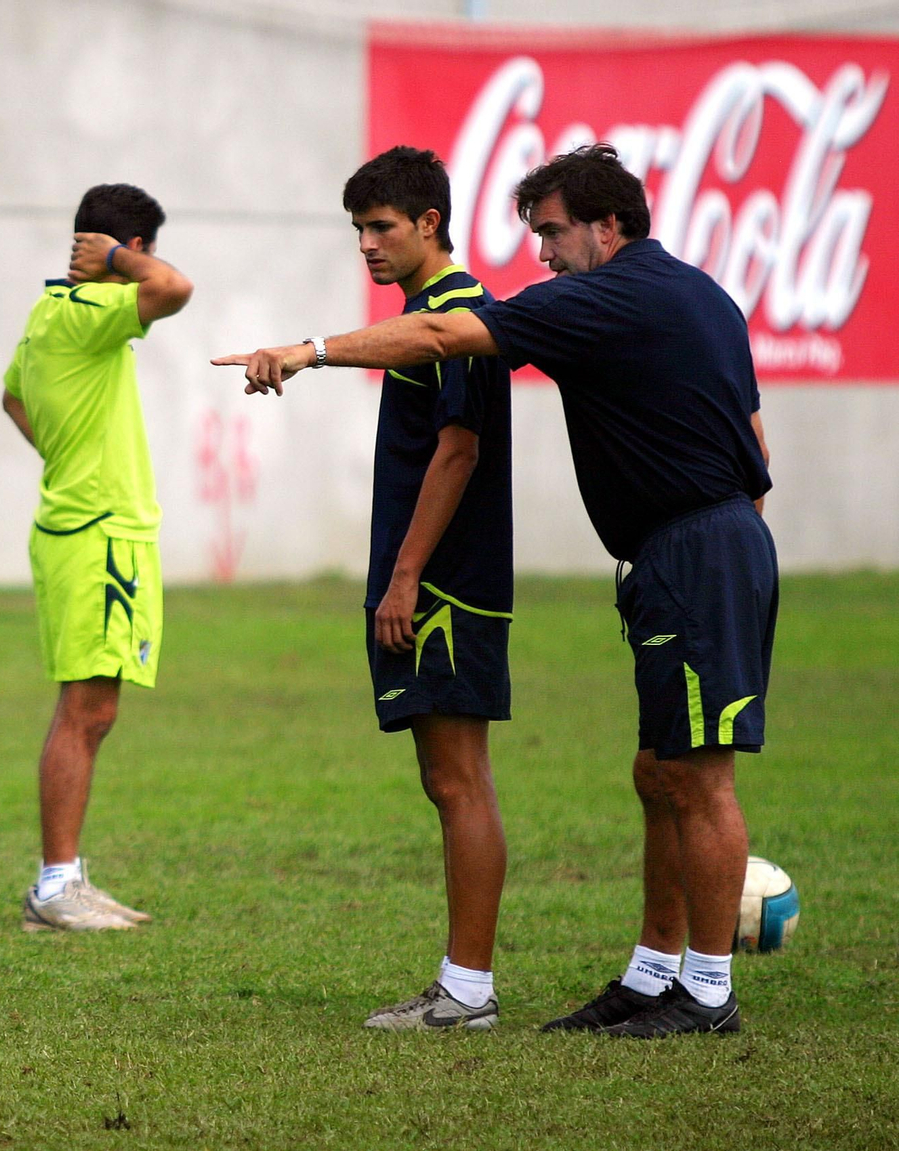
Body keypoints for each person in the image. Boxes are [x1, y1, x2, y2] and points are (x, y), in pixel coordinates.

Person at [214, 143, 775, 1038]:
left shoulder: (607, 293)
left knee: (699, 778)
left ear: (608, 225)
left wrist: (308, 350)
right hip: (697, 549)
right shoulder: (706, 296)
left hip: (694, 552)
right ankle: (653, 972)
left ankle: (705, 993)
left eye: (552, 234)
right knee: (660, 771)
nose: (544, 254)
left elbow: (449, 340)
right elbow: (757, 449)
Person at [330, 147, 513, 1029]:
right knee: (447, 783)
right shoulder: (422, 313)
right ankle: (462, 983)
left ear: (429, 224)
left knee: (459, 781)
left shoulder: (460, 315)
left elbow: (460, 448)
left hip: (446, 588)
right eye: (358, 229)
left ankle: (468, 989)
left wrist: (406, 575)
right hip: (428, 585)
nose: (366, 244)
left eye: (381, 227)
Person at [1, 183, 193, 931]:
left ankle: (67, 875)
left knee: (90, 707)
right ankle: (54, 886)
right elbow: (177, 289)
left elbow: (12, 397)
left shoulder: (49, 313)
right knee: (87, 708)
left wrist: (66, 456)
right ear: (133, 247)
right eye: (141, 251)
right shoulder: (90, 310)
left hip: (80, 526)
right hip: (101, 534)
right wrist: (115, 261)